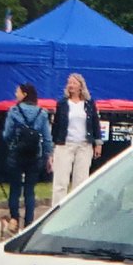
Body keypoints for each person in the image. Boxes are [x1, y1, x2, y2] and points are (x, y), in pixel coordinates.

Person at [3, 83, 52, 232]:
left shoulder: (14, 111)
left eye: (17, 91)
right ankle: (29, 223)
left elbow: (7, 134)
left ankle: (14, 222)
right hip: (34, 155)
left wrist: (12, 144)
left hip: (17, 154)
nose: (15, 94)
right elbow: (47, 137)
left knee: (15, 189)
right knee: (30, 190)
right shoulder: (42, 113)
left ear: (24, 94)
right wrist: (47, 155)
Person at [51, 72, 101, 206]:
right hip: (65, 144)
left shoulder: (89, 104)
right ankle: (56, 209)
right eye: (69, 82)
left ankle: (77, 208)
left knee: (81, 180)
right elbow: (56, 126)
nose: (71, 85)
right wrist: (53, 147)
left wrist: (98, 143)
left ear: (80, 86)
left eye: (74, 83)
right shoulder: (62, 104)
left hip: (84, 145)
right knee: (61, 181)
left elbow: (95, 123)